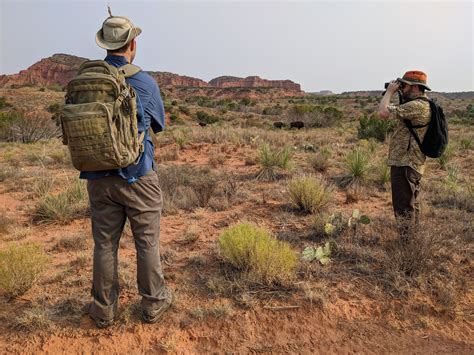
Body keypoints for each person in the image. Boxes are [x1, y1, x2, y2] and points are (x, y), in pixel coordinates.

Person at [82, 13, 171, 328]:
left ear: (106, 45)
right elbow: (157, 124)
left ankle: (103, 310)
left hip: (96, 176)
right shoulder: (143, 81)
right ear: (132, 44)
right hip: (137, 175)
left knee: (104, 242)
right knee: (146, 241)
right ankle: (153, 303)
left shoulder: (88, 79)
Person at [378, 70, 432, 240]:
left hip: (406, 163)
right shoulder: (421, 103)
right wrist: (398, 92)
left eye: (405, 85)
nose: (402, 87)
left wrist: (389, 92)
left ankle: (407, 246)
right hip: (410, 162)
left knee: (403, 206)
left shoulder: (417, 106)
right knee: (410, 204)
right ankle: (411, 242)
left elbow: (383, 113)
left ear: (415, 87)